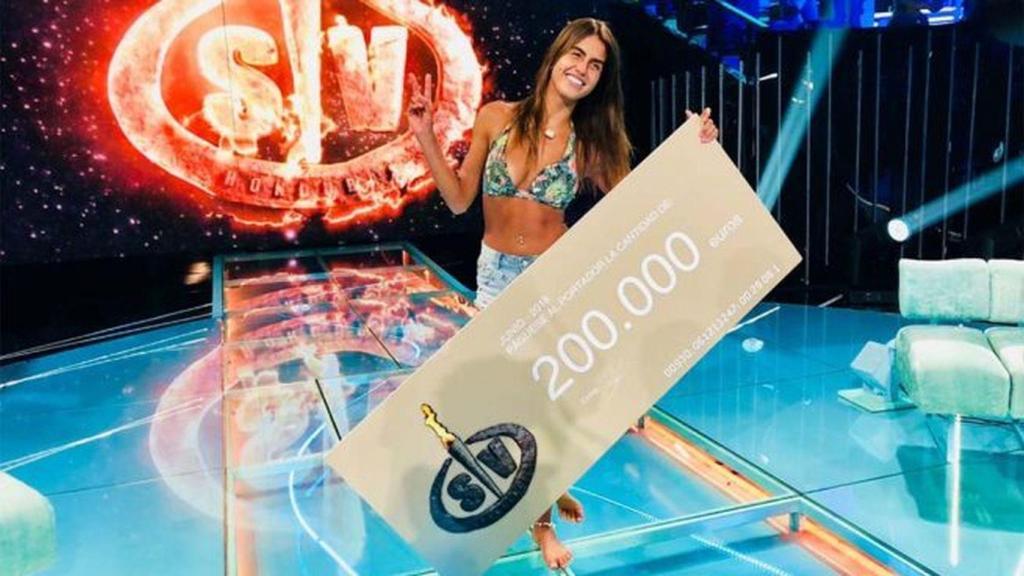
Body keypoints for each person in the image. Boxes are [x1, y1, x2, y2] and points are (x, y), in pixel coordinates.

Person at [406, 17, 718, 571]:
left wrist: (694, 152)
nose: (583, 69)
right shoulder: (496, 117)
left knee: (540, 408)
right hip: (495, 279)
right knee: (499, 405)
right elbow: (457, 200)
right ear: (556, 57)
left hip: (555, 280)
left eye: (596, 65)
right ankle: (541, 491)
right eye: (577, 55)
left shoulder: (591, 142)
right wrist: (426, 136)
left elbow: (645, 204)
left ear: (600, 79)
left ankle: (542, 523)